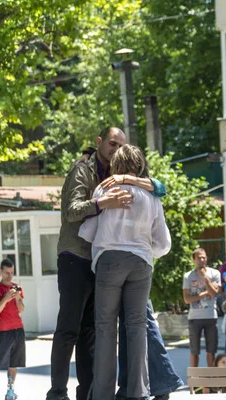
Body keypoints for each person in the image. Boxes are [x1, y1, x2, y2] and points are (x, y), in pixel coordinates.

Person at [47, 127, 181, 400]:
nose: (115, 148)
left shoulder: (116, 179)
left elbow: (160, 188)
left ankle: (96, 392)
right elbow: (72, 212)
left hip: (104, 261)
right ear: (99, 142)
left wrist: (130, 187)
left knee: (99, 330)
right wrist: (102, 204)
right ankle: (61, 393)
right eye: (111, 143)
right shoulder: (83, 171)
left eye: (120, 145)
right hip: (78, 259)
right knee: (72, 329)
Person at [78, 144, 172, 400]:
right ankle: (137, 392)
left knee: (106, 327)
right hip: (142, 263)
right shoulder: (152, 196)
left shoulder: (105, 188)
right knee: (137, 327)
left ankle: (103, 393)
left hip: (110, 262)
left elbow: (87, 232)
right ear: (140, 166)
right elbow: (163, 244)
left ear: (116, 166)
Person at [182, 248, 221, 368]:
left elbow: (214, 294)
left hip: (210, 316)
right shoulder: (188, 276)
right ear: (194, 260)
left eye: (204, 257)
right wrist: (205, 293)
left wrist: (206, 279)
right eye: (199, 257)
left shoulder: (214, 273)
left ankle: (211, 379)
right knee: (194, 350)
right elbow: (187, 299)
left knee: (211, 350)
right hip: (194, 318)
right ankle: (195, 380)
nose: (202, 260)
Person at [0, 259, 25, 400]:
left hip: (18, 330)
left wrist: (17, 298)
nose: (10, 276)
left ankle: (10, 391)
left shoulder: (17, 287)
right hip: (2, 331)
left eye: (12, 273)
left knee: (14, 363)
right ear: (1, 271)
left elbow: (21, 309)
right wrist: (6, 298)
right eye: (7, 273)